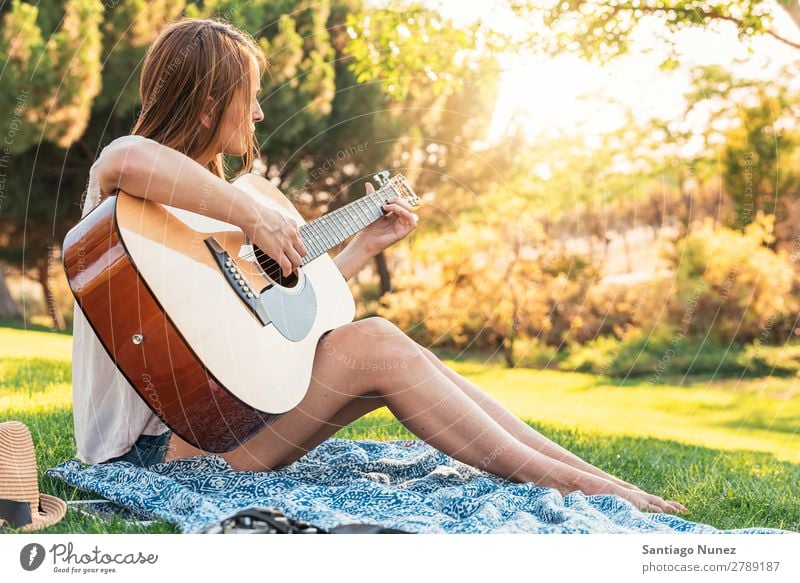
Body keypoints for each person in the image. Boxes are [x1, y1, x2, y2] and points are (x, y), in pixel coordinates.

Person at [73, 16, 687, 516]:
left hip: (221, 426)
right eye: (250, 101)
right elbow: (124, 155)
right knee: (378, 344)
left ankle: (594, 481)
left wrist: (362, 247)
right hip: (161, 455)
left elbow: (272, 315)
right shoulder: (128, 202)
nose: (259, 116)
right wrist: (252, 214)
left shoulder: (210, 209)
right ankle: (593, 494)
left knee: (391, 352)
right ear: (209, 105)